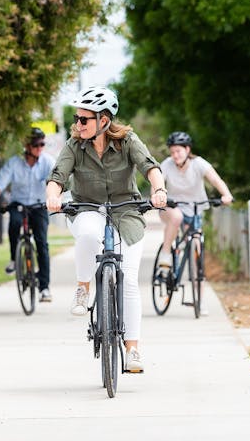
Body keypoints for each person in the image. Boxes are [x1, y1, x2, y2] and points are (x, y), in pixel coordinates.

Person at [46, 86, 167, 373]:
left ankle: (133, 349)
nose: (78, 124)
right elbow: (58, 176)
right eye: (77, 118)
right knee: (88, 234)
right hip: (87, 207)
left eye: (84, 119)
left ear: (103, 120)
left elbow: (150, 167)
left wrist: (159, 189)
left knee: (129, 281)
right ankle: (83, 287)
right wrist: (53, 196)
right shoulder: (75, 144)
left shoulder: (127, 140)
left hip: (127, 211)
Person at [0, 127, 55, 302]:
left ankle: (44, 288)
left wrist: (55, 199)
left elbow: (58, 180)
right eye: (36, 144)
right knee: (14, 224)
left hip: (39, 205)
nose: (40, 147)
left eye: (42, 144)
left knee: (42, 243)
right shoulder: (14, 163)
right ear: (27, 146)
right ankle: (13, 258)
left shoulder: (48, 162)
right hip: (19, 204)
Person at [158, 131, 233, 269]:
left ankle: (198, 278)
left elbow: (216, 180)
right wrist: (158, 197)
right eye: (172, 152)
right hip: (171, 207)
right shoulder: (167, 165)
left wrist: (226, 195)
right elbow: (157, 184)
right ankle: (166, 254)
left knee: (195, 241)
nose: (175, 155)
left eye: (178, 151)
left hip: (194, 208)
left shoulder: (198, 163)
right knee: (176, 217)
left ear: (187, 149)